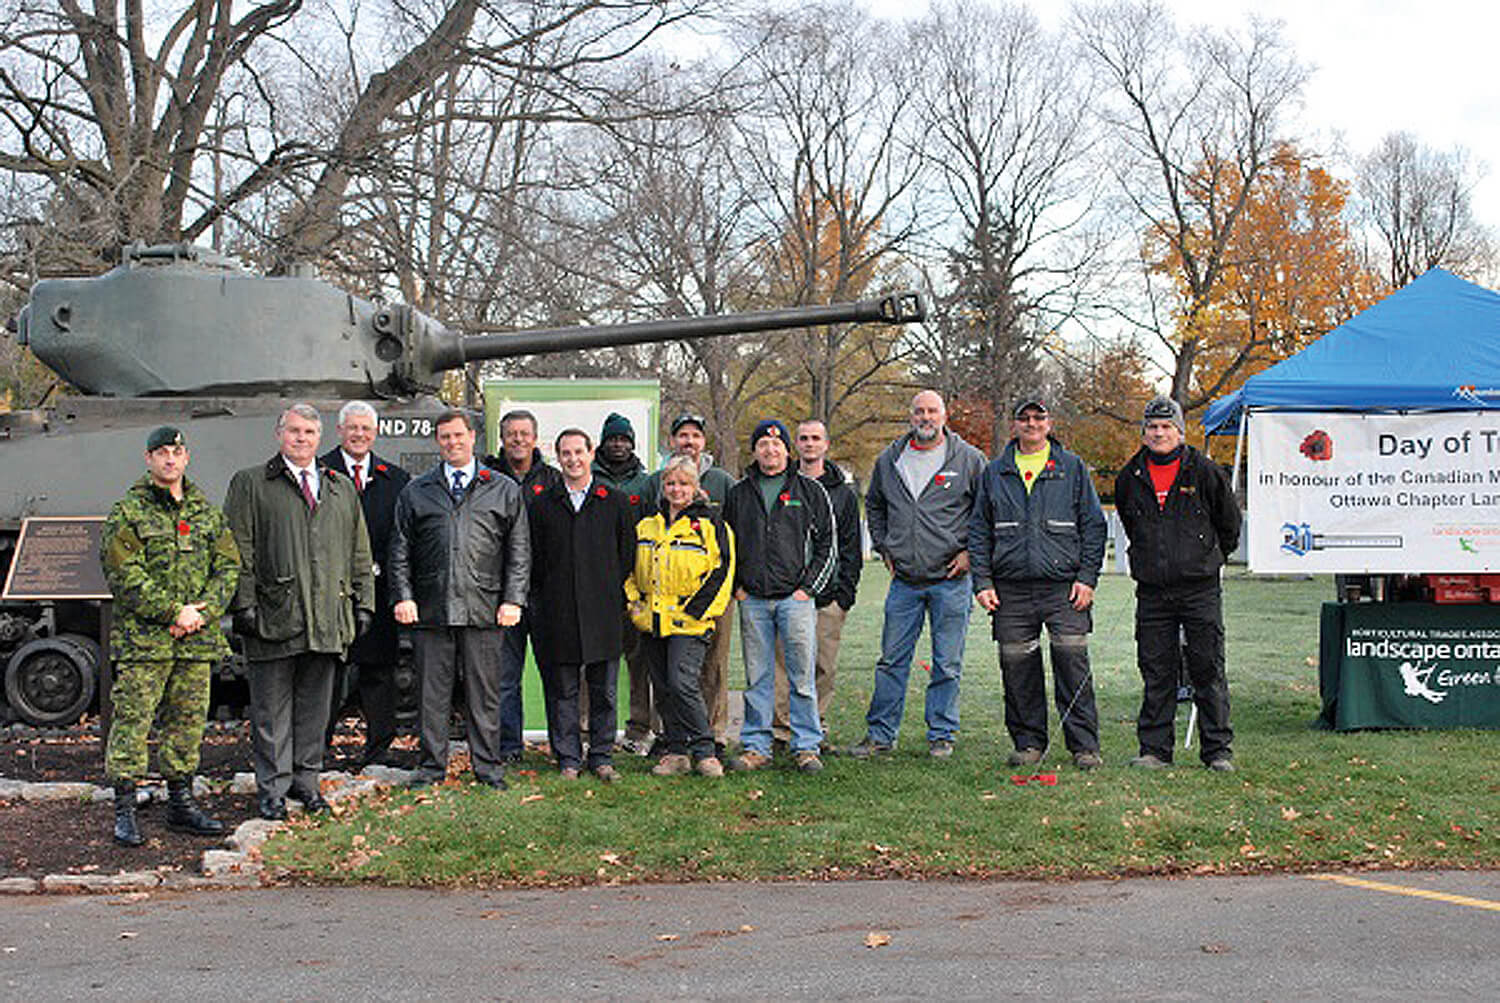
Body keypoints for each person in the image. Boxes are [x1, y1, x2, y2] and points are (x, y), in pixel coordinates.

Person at [226, 404, 374, 819]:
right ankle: (272, 789)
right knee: (271, 711)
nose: (302, 438)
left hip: (328, 616)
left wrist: (365, 602)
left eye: (309, 432)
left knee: (315, 709)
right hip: (275, 615)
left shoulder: (340, 487)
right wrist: (244, 602)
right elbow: (238, 548)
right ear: (279, 435)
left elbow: (358, 552)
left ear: (320, 437)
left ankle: (306, 783)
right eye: (294, 431)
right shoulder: (252, 483)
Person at [99, 426, 240, 845]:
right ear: (149, 459)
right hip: (145, 642)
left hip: (195, 640)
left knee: (187, 724)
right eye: (161, 452)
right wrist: (172, 611)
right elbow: (123, 574)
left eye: (176, 452)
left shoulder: (207, 514)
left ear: (186, 457)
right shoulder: (127, 512)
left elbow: (228, 568)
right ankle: (124, 809)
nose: (169, 459)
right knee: (132, 722)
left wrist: (202, 613)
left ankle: (181, 803)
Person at [389, 410, 529, 789]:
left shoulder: (502, 488)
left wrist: (513, 600)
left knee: (484, 696)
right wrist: (404, 596)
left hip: (484, 608)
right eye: (445, 437)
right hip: (431, 609)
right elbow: (399, 550)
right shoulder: (417, 491)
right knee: (431, 695)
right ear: (438, 442)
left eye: (458, 435)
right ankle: (432, 767)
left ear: (472, 437)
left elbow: (519, 551)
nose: (452, 443)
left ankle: (487, 768)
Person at [969, 395, 1107, 771]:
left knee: (1072, 665)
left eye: (1038, 418)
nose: (1031, 424)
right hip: (1010, 589)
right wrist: (982, 581)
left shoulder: (1072, 468)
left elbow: (1094, 526)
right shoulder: (995, 472)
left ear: (1049, 424)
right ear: (1014, 425)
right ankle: (1029, 743)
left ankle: (1084, 746)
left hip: (1064, 588)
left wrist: (1087, 578)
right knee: (1017, 671)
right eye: (1024, 418)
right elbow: (978, 531)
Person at [851, 391, 985, 759]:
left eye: (932, 411)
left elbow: (986, 511)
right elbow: (874, 505)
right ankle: (881, 735)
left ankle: (941, 734)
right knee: (892, 660)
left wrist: (971, 553)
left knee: (947, 663)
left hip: (951, 582)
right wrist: (883, 546)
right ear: (910, 417)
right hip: (905, 582)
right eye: (919, 412)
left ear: (944, 415)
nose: (925, 417)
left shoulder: (969, 459)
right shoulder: (890, 459)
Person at [1114, 395, 1240, 772]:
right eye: (1152, 427)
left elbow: (1229, 525)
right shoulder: (1130, 476)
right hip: (1153, 591)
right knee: (1156, 669)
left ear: (1180, 432)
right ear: (1144, 432)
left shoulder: (1204, 471)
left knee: (1207, 668)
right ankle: (1155, 750)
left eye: (1166, 427)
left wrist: (1206, 559)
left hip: (1199, 589)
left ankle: (1217, 750)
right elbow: (1130, 523)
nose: (1159, 433)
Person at [722, 419, 836, 774]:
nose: (770, 451)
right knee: (758, 676)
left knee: (801, 676)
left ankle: (806, 746)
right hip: (753, 599)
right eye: (762, 445)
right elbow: (726, 543)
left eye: (776, 445)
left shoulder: (810, 491)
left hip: (795, 599)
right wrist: (738, 585)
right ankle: (757, 745)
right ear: (754, 450)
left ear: (787, 449)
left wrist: (808, 589)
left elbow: (827, 545)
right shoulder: (739, 493)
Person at [527, 429, 637, 781]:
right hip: (557, 612)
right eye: (565, 453)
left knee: (604, 691)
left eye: (579, 452)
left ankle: (602, 756)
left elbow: (627, 555)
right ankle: (569, 758)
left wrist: (608, 593)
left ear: (591, 454)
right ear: (557, 458)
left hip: (603, 613)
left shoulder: (615, 501)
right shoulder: (543, 503)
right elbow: (535, 558)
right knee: (563, 692)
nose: (573, 459)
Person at [626, 455, 735, 778]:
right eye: (671, 483)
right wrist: (635, 604)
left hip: (691, 622)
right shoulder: (647, 525)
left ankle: (704, 750)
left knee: (681, 682)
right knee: (662, 686)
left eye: (684, 484)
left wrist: (696, 611)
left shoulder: (711, 524)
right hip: (653, 621)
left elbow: (722, 571)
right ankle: (676, 752)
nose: (677, 490)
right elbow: (629, 569)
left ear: (696, 487)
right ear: (663, 486)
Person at [320, 401, 410, 767]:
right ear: (340, 431)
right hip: (328, 591)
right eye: (352, 428)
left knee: (379, 674)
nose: (359, 434)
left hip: (377, 589)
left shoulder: (395, 478)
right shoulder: (320, 472)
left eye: (366, 429)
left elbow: (402, 538)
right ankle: (317, 750)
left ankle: (379, 750)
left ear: (375, 433)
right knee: (326, 677)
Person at [646, 412, 737, 756]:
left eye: (695, 435)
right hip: (660, 608)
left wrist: (703, 606)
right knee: (668, 678)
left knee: (707, 670)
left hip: (706, 602)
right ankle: (672, 739)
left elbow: (726, 554)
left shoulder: (723, 484)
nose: (689, 440)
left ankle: (710, 736)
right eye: (682, 435)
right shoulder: (653, 514)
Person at [773, 419, 862, 748]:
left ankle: (816, 725)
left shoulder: (843, 494)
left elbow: (852, 547)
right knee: (784, 666)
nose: (809, 444)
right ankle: (781, 730)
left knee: (823, 665)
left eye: (815, 439)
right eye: (803, 439)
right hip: (790, 594)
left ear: (826, 445)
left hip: (828, 596)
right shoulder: (783, 485)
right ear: (795, 445)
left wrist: (845, 595)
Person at [486, 409, 562, 762]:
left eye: (524, 433)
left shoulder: (553, 479)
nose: (518, 440)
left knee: (556, 675)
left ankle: (563, 747)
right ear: (502, 439)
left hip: (545, 592)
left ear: (535, 438)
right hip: (501, 594)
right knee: (504, 678)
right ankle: (509, 748)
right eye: (511, 434)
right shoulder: (486, 476)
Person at [591, 412, 658, 756]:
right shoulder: (590, 477)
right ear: (602, 442)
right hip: (596, 584)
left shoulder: (644, 484)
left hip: (634, 584)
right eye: (613, 438)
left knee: (638, 660)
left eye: (624, 439)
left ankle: (638, 727)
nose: (618, 444)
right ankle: (590, 727)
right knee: (594, 659)